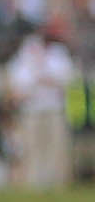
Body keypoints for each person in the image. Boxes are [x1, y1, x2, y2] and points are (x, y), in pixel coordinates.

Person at [5, 27, 77, 190]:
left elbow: (66, 81)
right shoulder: (24, 58)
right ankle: (34, 184)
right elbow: (18, 87)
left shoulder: (59, 55)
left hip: (54, 108)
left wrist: (44, 78)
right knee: (32, 147)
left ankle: (57, 183)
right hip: (32, 110)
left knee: (55, 146)